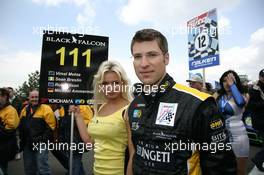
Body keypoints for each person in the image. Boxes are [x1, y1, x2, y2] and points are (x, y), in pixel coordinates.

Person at [126, 28, 236, 175]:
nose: (143, 64)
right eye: (137, 56)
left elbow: (221, 168)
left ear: (166, 58)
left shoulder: (199, 104)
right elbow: (136, 156)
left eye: (152, 55)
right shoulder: (134, 105)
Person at [72, 60, 132, 175]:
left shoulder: (129, 109)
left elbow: (133, 151)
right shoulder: (100, 107)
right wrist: (78, 116)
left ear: (123, 84)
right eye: (105, 84)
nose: (110, 88)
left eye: (115, 83)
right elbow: (89, 142)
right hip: (97, 171)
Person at [213, 70, 249, 175]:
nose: (227, 83)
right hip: (222, 137)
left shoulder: (244, 94)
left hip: (239, 136)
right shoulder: (218, 95)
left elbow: (240, 103)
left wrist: (232, 85)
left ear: (235, 81)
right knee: (223, 169)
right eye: (224, 80)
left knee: (240, 171)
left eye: (230, 80)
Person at [19, 90, 56, 175]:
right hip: (27, 144)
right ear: (29, 98)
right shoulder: (25, 109)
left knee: (42, 168)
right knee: (29, 168)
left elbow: (51, 127)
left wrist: (43, 140)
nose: (34, 99)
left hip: (41, 143)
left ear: (39, 98)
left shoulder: (46, 108)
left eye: (36, 97)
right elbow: (21, 126)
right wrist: (22, 141)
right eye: (32, 97)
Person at [0, 88, 20, 175]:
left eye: (2, 96)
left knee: (2, 169)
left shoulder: (11, 110)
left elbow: (9, 131)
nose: (0, 98)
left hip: (4, 148)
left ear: (6, 97)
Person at [248, 69, 264, 171]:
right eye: (263, 76)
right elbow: (251, 105)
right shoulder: (254, 89)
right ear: (260, 77)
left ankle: (258, 159)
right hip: (260, 120)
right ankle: (258, 159)